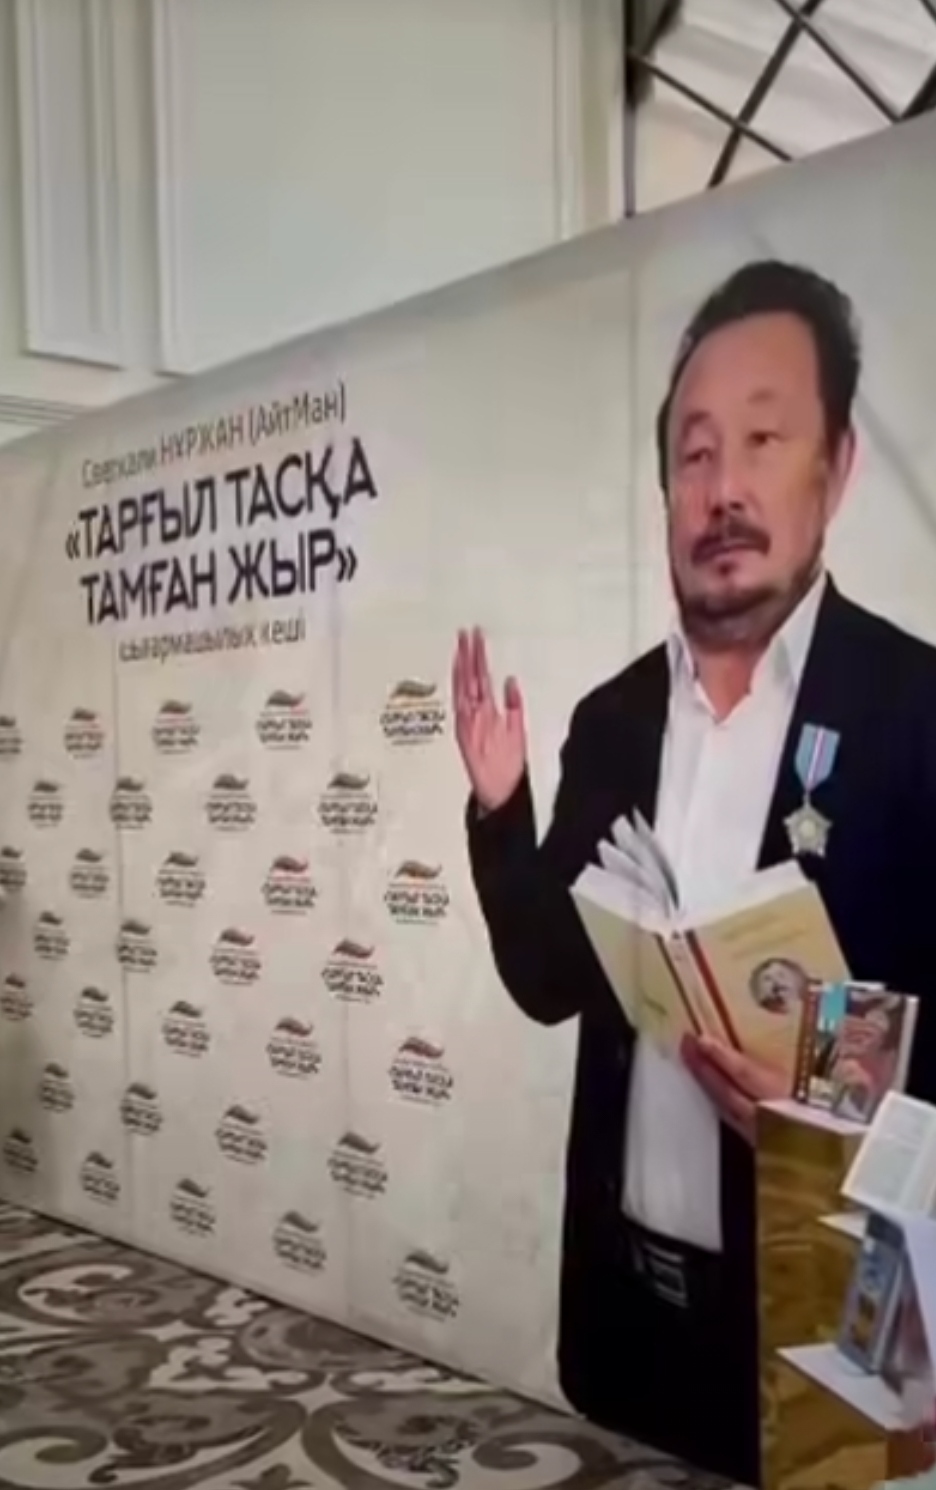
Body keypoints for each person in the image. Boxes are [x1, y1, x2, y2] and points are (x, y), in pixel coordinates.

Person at [452, 259, 936, 1484]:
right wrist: (501, 810)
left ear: (837, 468)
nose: (724, 489)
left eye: (764, 440)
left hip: (837, 1305)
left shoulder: (916, 707)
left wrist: (826, 1093)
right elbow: (549, 978)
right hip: (633, 1310)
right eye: (695, 453)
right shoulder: (612, 718)